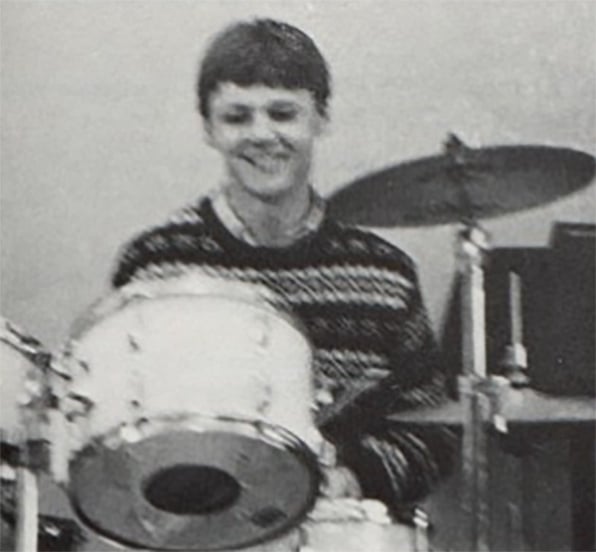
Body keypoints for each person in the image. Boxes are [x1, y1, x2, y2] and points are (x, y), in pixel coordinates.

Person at [111, 18, 454, 518]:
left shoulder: (383, 275)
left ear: (321, 118)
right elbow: (119, 432)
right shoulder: (156, 265)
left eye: (282, 113)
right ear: (208, 128)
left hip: (338, 530)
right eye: (237, 117)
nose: (261, 134)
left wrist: (353, 476)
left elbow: (437, 429)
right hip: (196, 533)